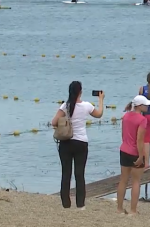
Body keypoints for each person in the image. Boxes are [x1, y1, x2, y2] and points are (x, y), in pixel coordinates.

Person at [51, 81, 104, 209]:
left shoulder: (65, 106)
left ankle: (66, 203)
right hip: (81, 143)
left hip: (66, 143)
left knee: (66, 173)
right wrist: (100, 100)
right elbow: (99, 114)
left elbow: (53, 122)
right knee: (80, 174)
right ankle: (80, 204)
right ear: (80, 91)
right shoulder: (86, 106)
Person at [116, 95, 150, 215]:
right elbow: (139, 140)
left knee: (123, 180)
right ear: (139, 106)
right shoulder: (142, 120)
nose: (147, 106)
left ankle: (119, 209)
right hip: (135, 152)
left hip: (124, 149)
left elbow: (123, 134)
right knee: (136, 181)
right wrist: (141, 156)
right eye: (145, 105)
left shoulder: (126, 116)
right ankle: (133, 210)